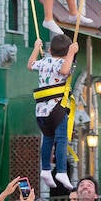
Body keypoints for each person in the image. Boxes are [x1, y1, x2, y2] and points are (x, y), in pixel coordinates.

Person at [27, 33, 79, 191]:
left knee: (48, 139)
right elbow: (64, 70)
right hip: (56, 109)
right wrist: (71, 53)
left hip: (41, 112)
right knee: (62, 139)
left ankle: (45, 170)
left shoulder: (44, 62)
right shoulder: (63, 63)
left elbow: (30, 65)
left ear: (49, 49)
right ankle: (61, 171)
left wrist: (36, 48)